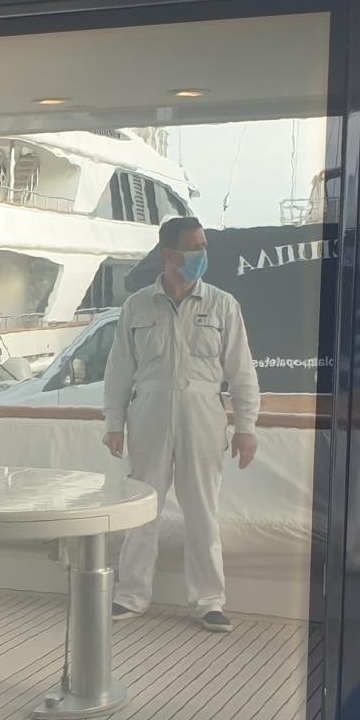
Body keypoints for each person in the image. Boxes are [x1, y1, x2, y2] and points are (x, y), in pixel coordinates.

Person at [102, 216, 260, 632]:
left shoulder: (222, 305)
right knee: (141, 512)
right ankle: (130, 595)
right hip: (148, 421)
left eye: (204, 246)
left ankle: (209, 600)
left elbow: (242, 372)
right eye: (196, 247)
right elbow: (119, 370)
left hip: (203, 421)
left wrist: (246, 427)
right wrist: (113, 423)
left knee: (203, 515)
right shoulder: (137, 305)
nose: (203, 254)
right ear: (169, 254)